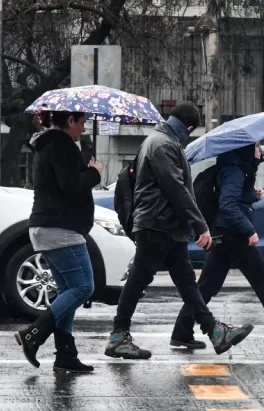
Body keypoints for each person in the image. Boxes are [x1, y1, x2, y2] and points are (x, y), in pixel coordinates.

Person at [104, 102, 254, 359]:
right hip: (157, 225)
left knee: (186, 283)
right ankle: (118, 335)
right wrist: (200, 226)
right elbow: (176, 189)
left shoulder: (162, 140)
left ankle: (214, 331)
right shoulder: (163, 144)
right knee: (139, 280)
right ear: (189, 127)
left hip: (166, 226)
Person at [170, 143, 264, 350]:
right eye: (256, 146)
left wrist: (252, 195)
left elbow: (230, 197)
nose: (260, 150)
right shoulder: (235, 170)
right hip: (233, 234)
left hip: (224, 232)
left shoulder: (234, 167)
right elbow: (227, 205)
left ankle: (181, 332)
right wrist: (249, 229)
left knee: (207, 286)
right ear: (246, 149)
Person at [14, 110, 104, 373]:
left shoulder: (48, 144)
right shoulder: (61, 145)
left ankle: (65, 354)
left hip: (48, 226)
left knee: (68, 291)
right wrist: (94, 173)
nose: (84, 128)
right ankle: (34, 334)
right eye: (82, 122)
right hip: (61, 227)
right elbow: (71, 186)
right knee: (84, 288)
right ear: (70, 121)